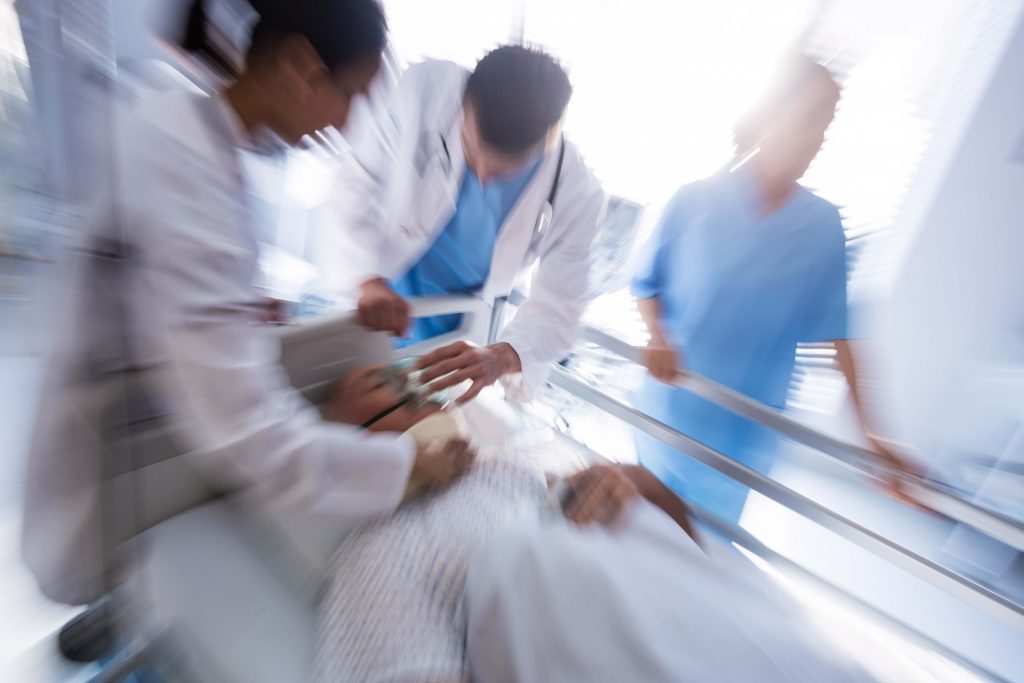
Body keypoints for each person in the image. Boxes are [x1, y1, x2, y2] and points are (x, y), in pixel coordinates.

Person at [21, 0, 472, 608]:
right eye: (348, 95)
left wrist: (235, 307)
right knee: (102, 593)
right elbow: (249, 431)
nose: (346, 121)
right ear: (298, 65)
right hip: (111, 451)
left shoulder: (195, 132)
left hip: (141, 427)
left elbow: (161, 274)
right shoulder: (182, 155)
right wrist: (411, 464)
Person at [630, 55, 913, 524]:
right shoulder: (695, 199)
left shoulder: (823, 228)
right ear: (771, 113)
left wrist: (872, 434)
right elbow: (646, 283)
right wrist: (658, 335)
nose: (818, 138)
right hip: (666, 418)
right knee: (633, 541)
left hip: (739, 445)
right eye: (810, 117)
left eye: (827, 124)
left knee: (698, 561)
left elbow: (838, 335)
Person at [315, 362, 688, 683]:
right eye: (381, 383)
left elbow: (684, 545)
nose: (411, 383)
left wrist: (639, 483)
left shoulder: (510, 464)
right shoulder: (376, 552)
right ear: (355, 445)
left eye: (402, 374)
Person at [331, 44, 606, 404]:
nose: (486, 177)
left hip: (452, 326)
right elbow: (359, 183)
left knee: (419, 420)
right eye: (474, 151)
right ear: (464, 103)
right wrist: (367, 279)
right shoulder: (425, 92)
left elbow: (562, 304)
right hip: (375, 291)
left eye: (508, 166)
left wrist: (502, 356)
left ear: (551, 136)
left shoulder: (577, 194)